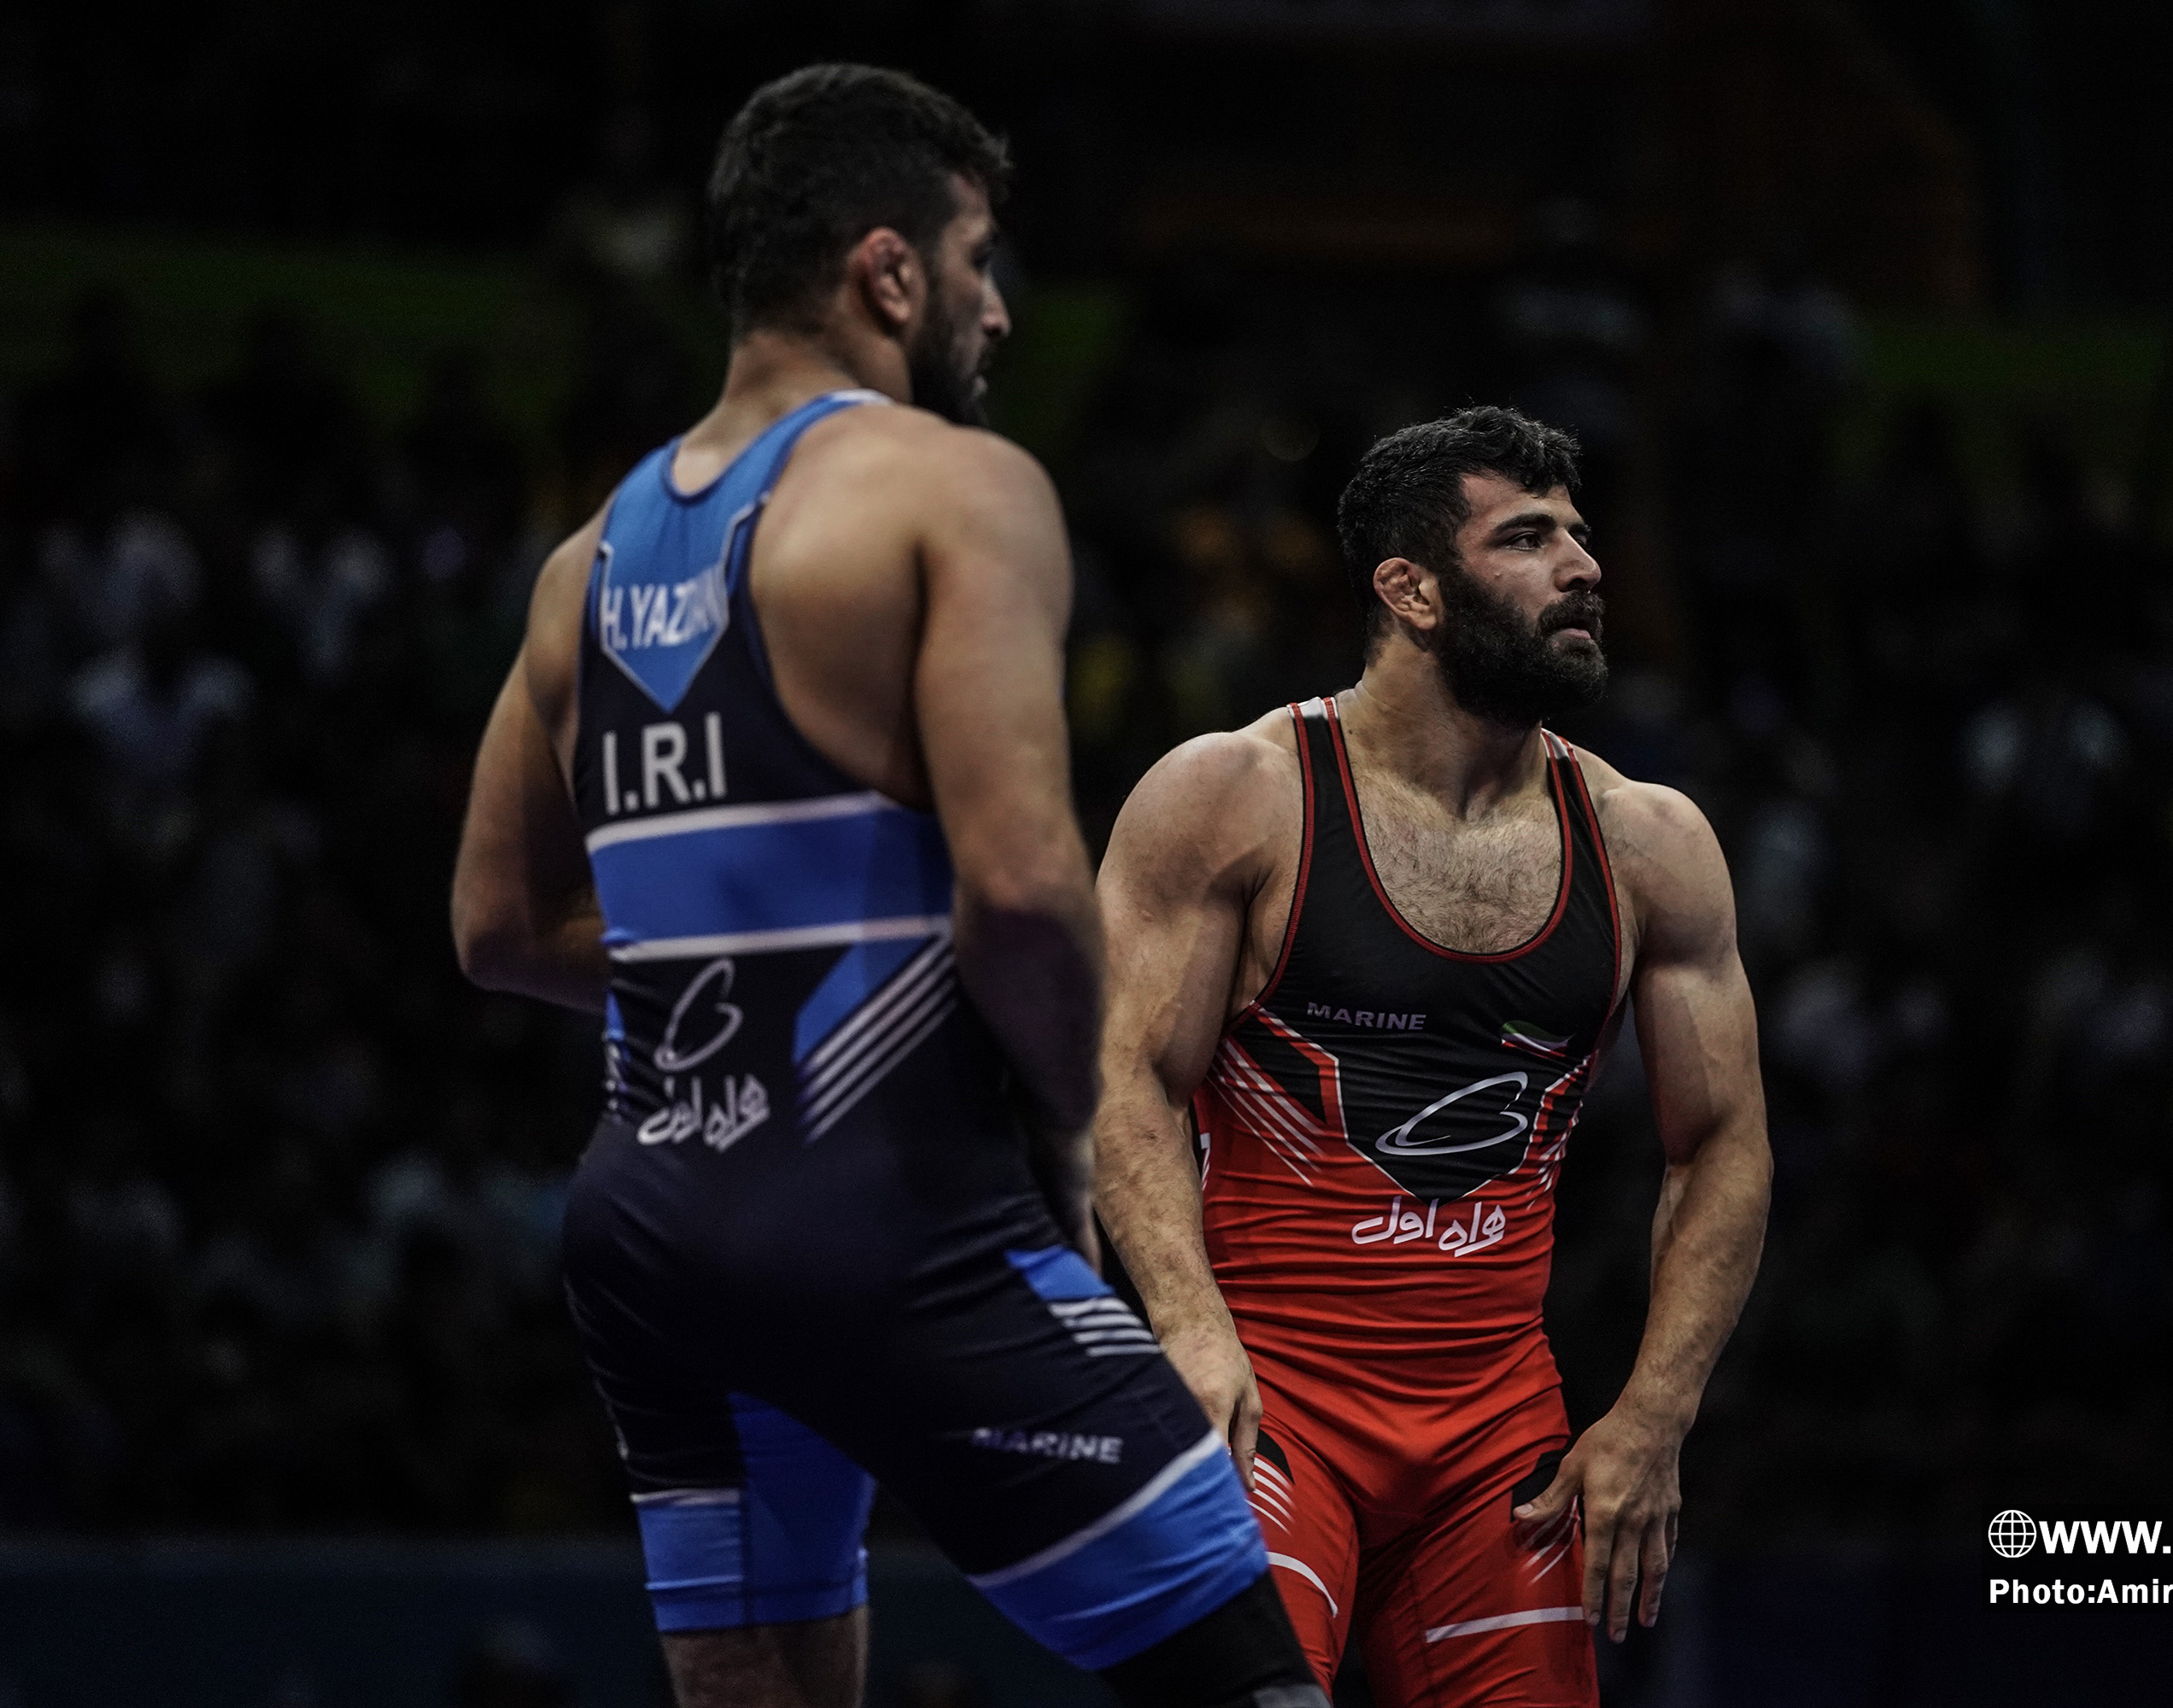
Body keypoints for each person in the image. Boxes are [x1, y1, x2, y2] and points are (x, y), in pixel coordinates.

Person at [451, 65, 1316, 1708]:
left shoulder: (583, 567)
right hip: (887, 1211)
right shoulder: (953, 488)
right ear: (889, 272)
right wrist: (1068, 1130)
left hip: (649, 1236)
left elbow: (495, 928)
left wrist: (744, 990)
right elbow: (1021, 889)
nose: (1000, 311)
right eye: (980, 260)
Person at [1095, 407, 1772, 1706]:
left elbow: (1724, 1141)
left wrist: (1655, 1410)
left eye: (1579, 535)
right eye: (1527, 538)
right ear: (1409, 591)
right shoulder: (1238, 796)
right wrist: (1184, 1330)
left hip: (1494, 1437)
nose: (1583, 566)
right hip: (1272, 1400)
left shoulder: (1649, 841)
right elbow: (1123, 1078)